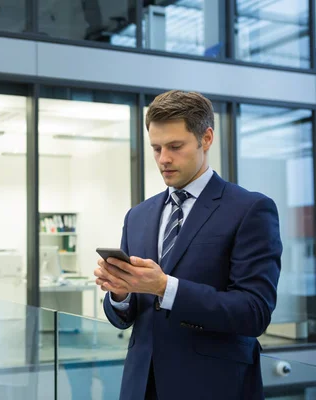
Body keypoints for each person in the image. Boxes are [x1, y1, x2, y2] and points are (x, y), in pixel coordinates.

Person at [94, 90, 282, 400]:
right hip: (141, 387)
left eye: (175, 147)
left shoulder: (250, 209)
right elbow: (126, 317)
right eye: (156, 148)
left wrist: (166, 287)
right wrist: (120, 292)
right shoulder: (138, 216)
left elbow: (254, 312)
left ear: (206, 138)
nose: (163, 159)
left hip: (213, 387)